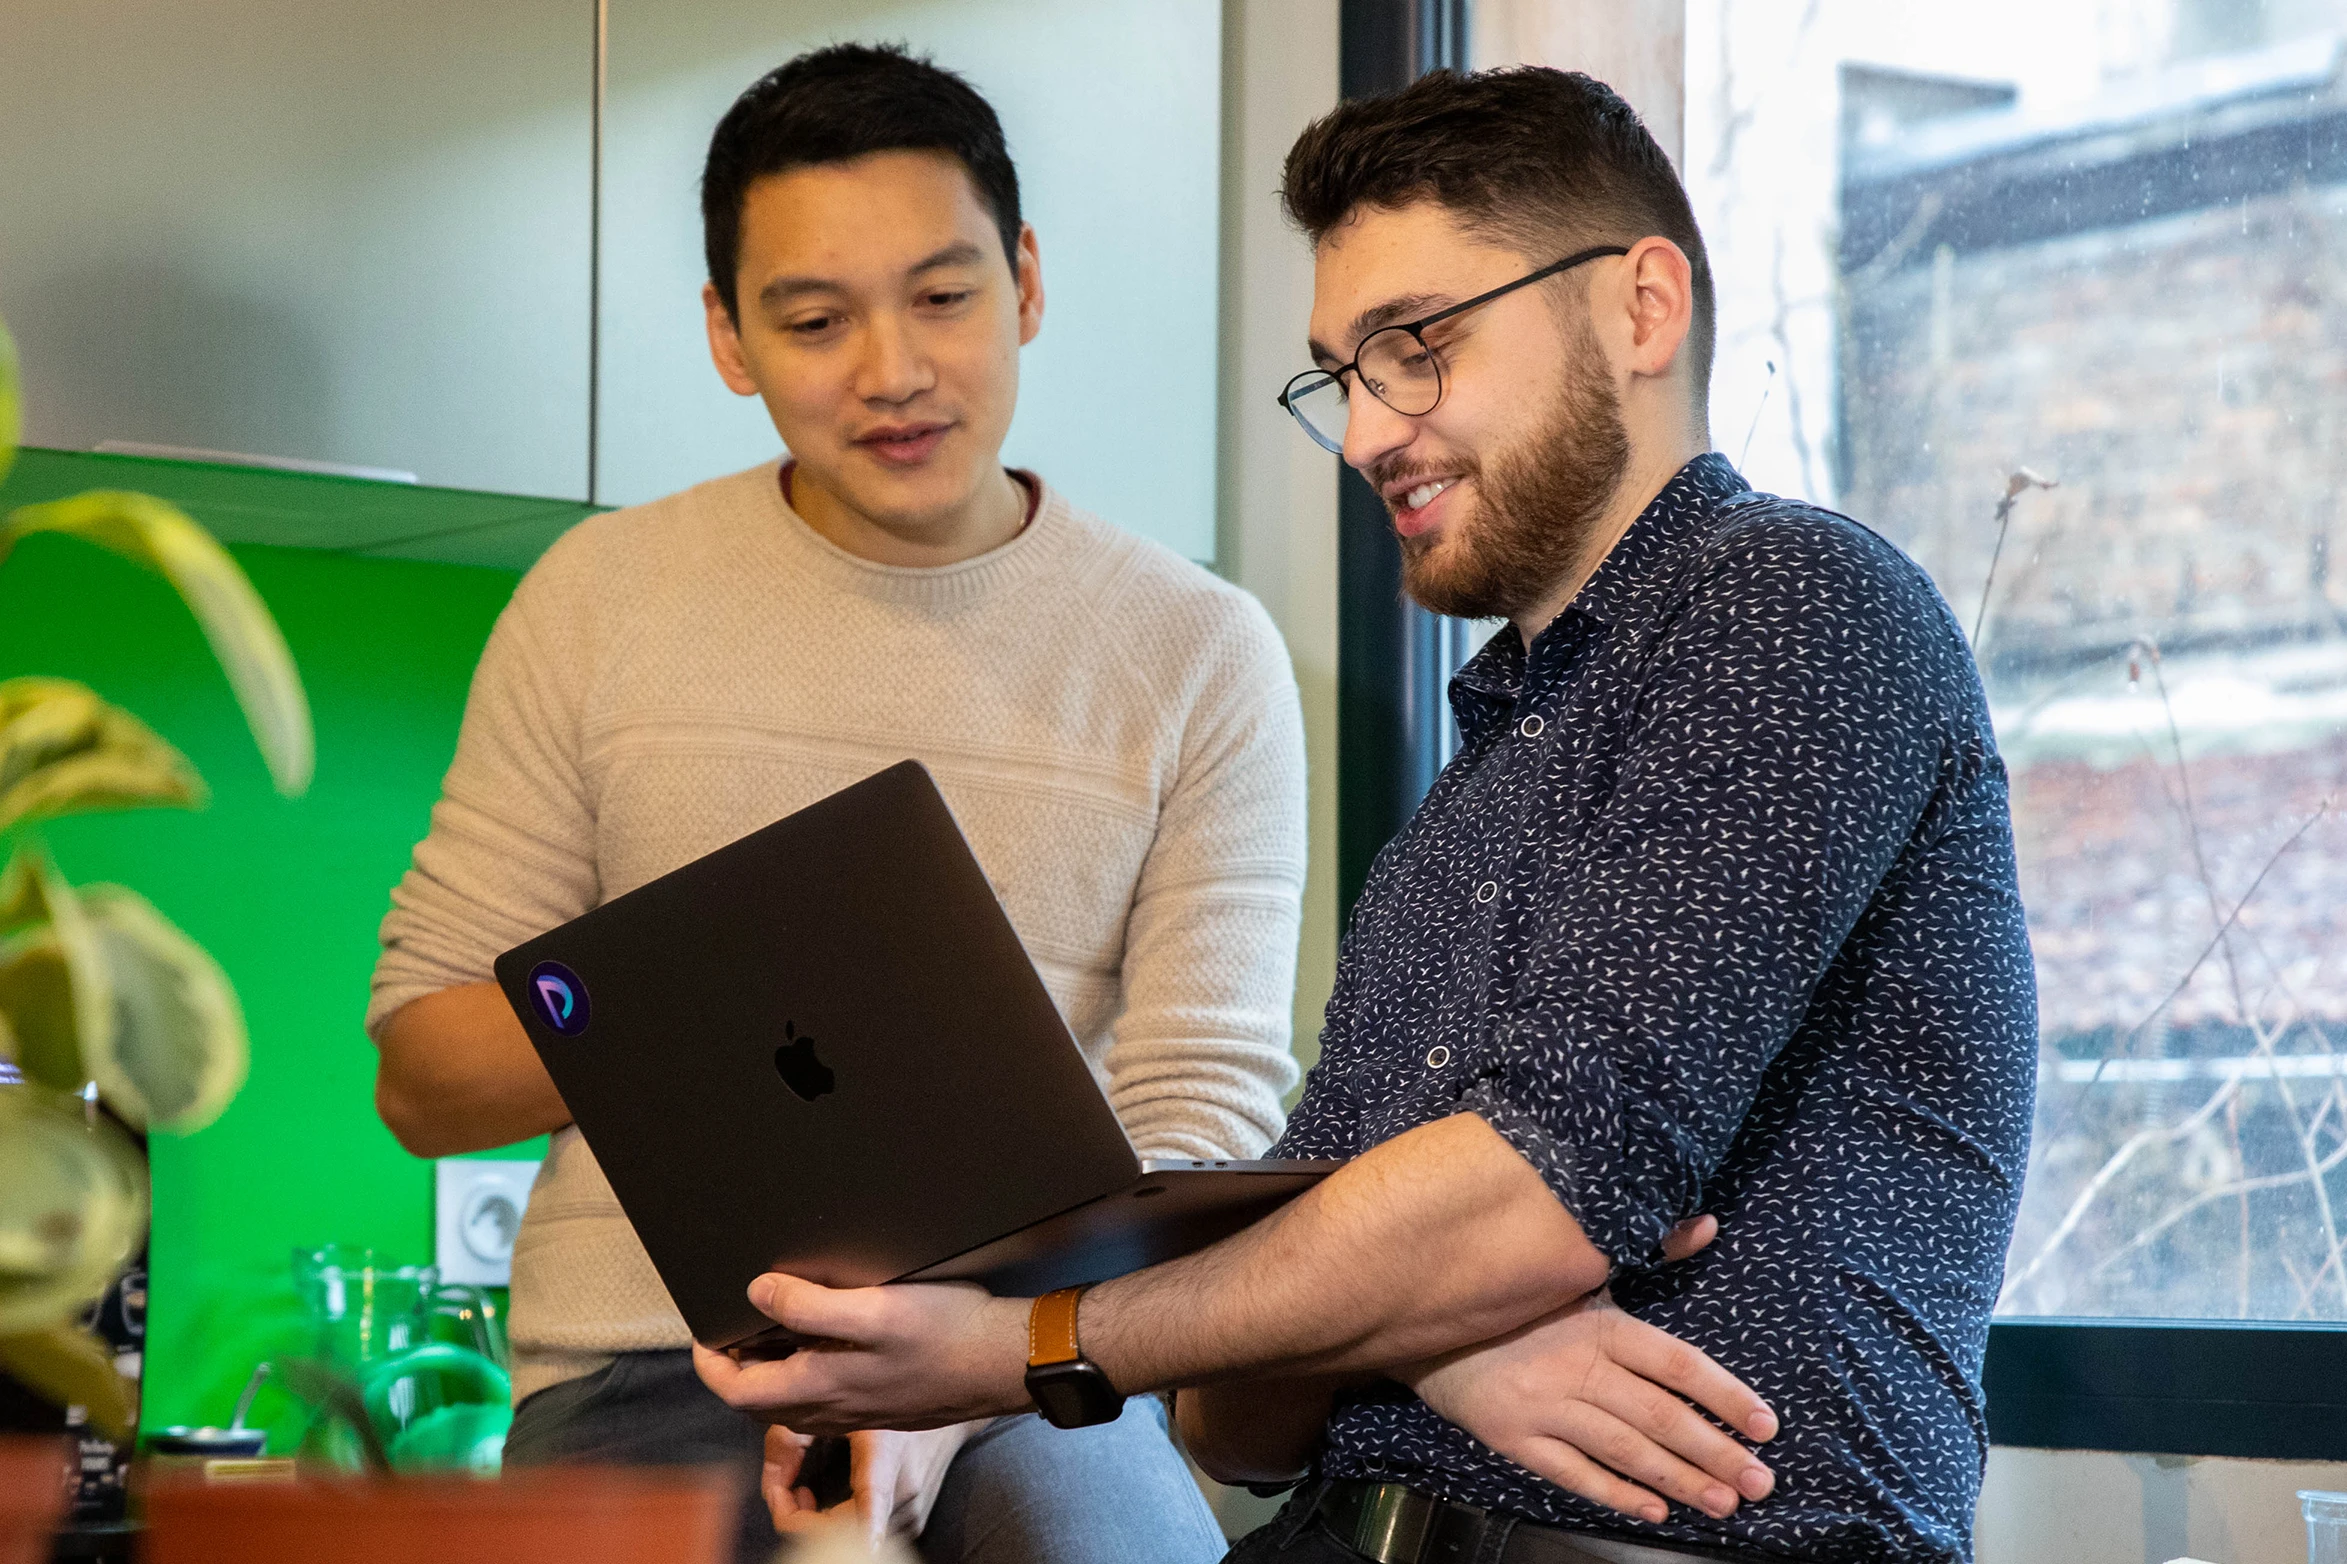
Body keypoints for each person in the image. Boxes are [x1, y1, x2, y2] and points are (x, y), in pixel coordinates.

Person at [693, 64, 2040, 1564]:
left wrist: (1018, 1350)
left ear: (1640, 309)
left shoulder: (1794, 604)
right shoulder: (1457, 813)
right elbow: (1232, 1426)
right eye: (1341, 372)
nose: (1362, 433)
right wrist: (1413, 1330)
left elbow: (1533, 1201)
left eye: (1418, 346)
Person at [367, 43, 1311, 1564]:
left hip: (1027, 1383)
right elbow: (424, 1077)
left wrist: (962, 1366)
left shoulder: (1198, 652)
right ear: (728, 339)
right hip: (645, 1365)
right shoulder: (598, 600)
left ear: (1027, 283)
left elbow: (1196, 1128)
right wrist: (727, 988)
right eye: (813, 319)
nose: (891, 369)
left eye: (942, 296)